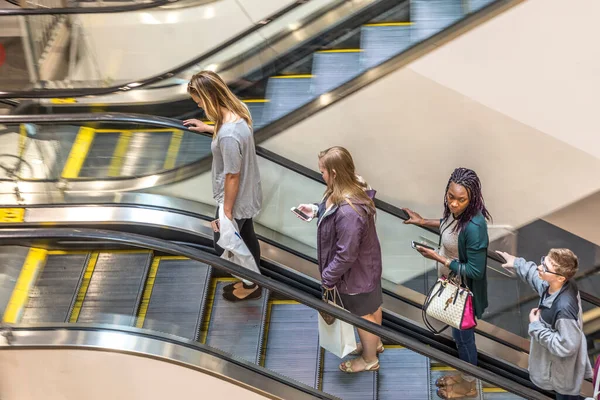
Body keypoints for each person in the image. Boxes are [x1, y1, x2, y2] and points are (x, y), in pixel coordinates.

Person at [404, 167, 491, 399]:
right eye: (450, 197)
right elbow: (447, 224)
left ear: (472, 199)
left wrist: (438, 257)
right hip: (451, 288)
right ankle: (463, 376)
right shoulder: (456, 214)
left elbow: (476, 270)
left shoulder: (475, 227)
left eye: (461, 200)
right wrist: (422, 221)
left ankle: (469, 385)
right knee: (458, 337)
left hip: (463, 295)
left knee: (464, 340)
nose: (453, 204)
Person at [295, 146, 384, 373]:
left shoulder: (349, 213)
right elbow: (333, 208)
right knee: (373, 306)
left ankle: (369, 358)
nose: (321, 175)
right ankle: (375, 343)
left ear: (334, 173)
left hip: (354, 276)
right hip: (368, 267)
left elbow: (346, 254)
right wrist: (316, 209)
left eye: (323, 171)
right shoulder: (355, 187)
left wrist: (328, 278)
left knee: (361, 315)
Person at [184, 70, 263, 302]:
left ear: (209, 99)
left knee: (223, 245)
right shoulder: (239, 112)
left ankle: (250, 285)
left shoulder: (228, 135)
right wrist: (209, 129)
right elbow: (232, 136)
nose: (200, 107)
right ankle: (254, 281)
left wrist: (226, 212)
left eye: (199, 102)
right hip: (249, 193)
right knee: (247, 235)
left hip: (235, 199)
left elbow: (232, 176)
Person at [497, 248, 593, 400]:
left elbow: (567, 346)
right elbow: (539, 280)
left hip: (561, 374)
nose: (539, 267)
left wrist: (536, 327)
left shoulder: (564, 309)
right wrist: (517, 262)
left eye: (546, 267)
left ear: (561, 278)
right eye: (543, 261)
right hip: (557, 369)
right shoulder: (559, 285)